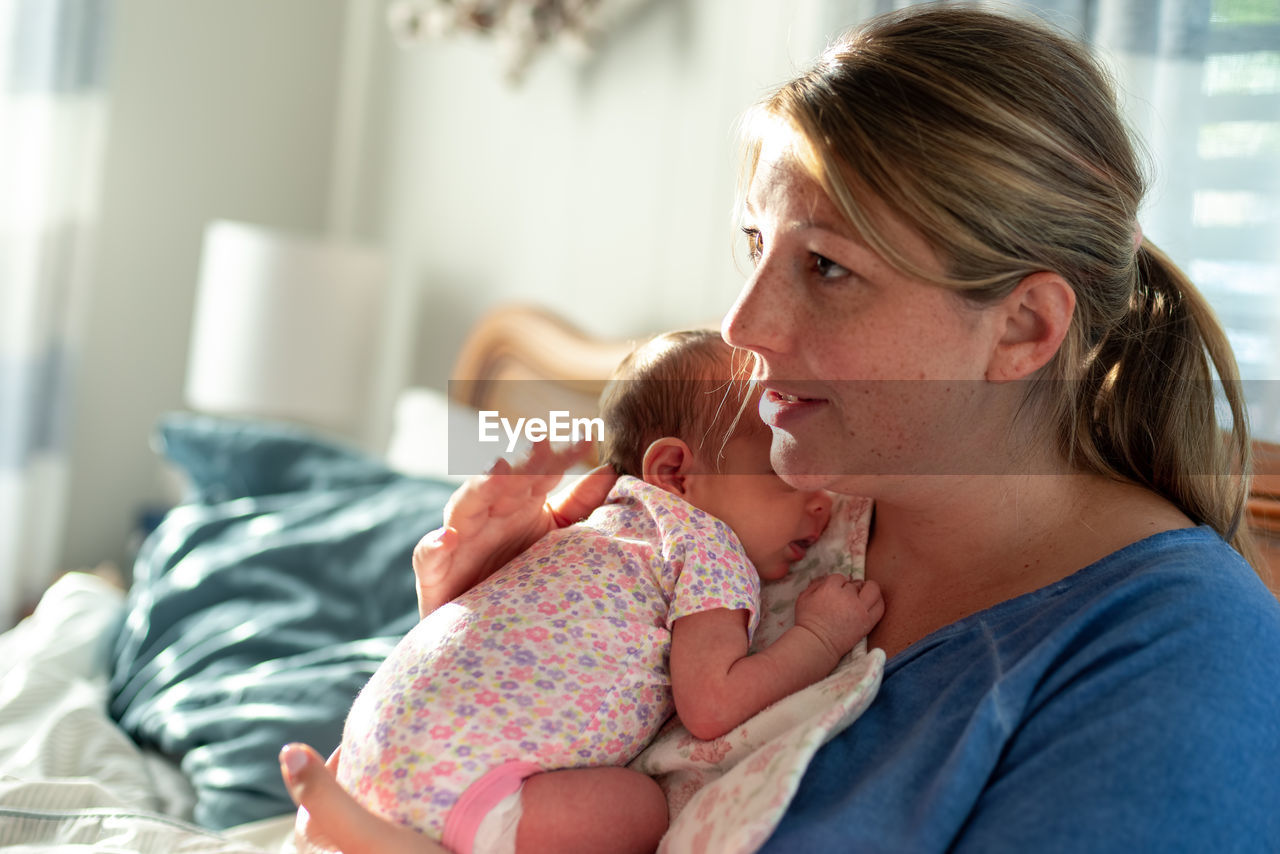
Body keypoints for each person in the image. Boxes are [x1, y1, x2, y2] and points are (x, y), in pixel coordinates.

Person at [283, 5, 1280, 851]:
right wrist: (474, 641)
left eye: (826, 266)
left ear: (1022, 327)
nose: (741, 323)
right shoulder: (757, 506)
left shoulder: (1174, 656)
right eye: (754, 244)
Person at [306, 330, 883, 854]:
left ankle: (359, 830)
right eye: (782, 475)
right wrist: (819, 634)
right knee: (641, 809)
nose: (821, 502)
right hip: (473, 792)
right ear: (677, 473)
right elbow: (713, 706)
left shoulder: (585, 533)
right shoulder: (708, 545)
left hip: (372, 750)